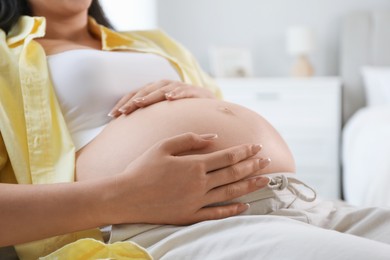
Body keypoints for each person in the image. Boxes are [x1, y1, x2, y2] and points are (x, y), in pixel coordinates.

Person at [1, 1, 390, 260]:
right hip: (159, 229)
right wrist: (121, 197)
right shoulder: (6, 54)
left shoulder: (155, 44)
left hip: (299, 202)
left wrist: (200, 97)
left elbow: (215, 115)